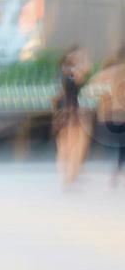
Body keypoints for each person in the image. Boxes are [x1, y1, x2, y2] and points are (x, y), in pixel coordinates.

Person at [89, 49, 125, 185]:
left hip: (109, 117)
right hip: (118, 115)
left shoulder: (105, 74)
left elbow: (92, 91)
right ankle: (117, 171)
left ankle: (117, 171)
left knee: (121, 146)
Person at [57, 47, 91, 186]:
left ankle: (68, 172)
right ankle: (69, 173)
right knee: (73, 142)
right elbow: (85, 73)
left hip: (66, 111)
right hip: (71, 112)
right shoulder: (72, 74)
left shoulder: (63, 74)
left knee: (67, 142)